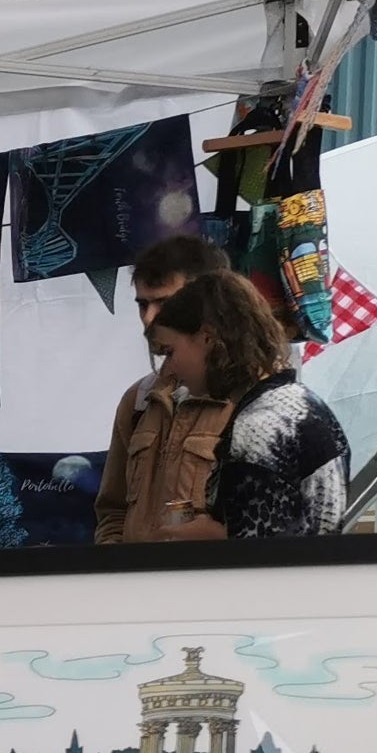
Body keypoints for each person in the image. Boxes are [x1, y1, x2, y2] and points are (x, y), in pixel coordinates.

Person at [144, 274, 348, 539]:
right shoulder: (306, 403)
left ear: (207, 339)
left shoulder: (258, 426)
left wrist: (209, 536)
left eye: (170, 352)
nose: (169, 368)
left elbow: (258, 556)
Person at [92, 231, 238, 543]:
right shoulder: (139, 400)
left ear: (212, 301)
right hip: (136, 587)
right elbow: (113, 513)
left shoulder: (252, 398)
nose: (149, 318)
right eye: (142, 304)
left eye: (165, 303)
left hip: (215, 586)